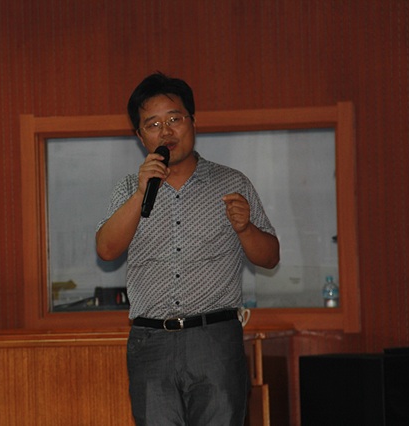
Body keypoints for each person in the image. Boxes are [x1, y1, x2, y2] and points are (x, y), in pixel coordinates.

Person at [95, 72, 280, 425]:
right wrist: (141, 192)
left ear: (193, 121)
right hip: (151, 342)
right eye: (153, 124)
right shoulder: (128, 189)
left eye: (174, 119)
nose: (166, 132)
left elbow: (270, 257)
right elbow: (106, 250)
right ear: (140, 136)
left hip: (215, 340)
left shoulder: (232, 183)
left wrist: (245, 228)